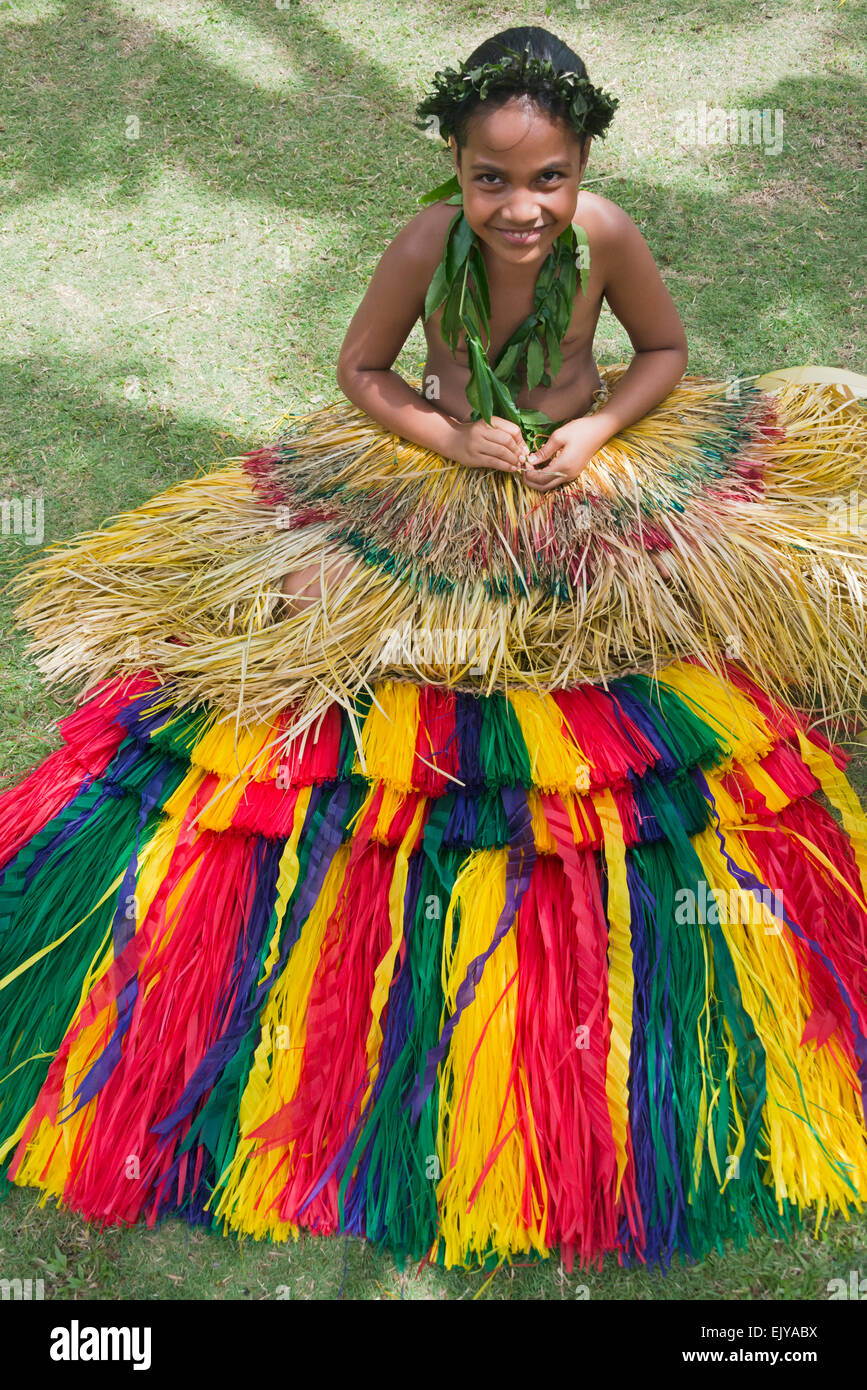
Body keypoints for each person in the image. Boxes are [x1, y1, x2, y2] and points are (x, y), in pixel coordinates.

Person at [0, 26, 865, 1275]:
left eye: (548, 177)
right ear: (455, 169)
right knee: (310, 721)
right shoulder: (424, 248)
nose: (522, 207)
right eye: (491, 179)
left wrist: (596, 427)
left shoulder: (606, 237)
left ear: (584, 165)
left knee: (651, 727)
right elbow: (362, 369)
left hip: (587, 490)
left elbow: (664, 356)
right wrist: (450, 441)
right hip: (434, 488)